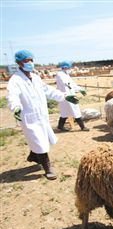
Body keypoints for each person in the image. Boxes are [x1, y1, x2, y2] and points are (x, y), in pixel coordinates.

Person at [6, 50, 79, 180]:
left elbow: (49, 91)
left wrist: (65, 96)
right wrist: (16, 107)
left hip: (41, 116)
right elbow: (12, 96)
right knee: (39, 142)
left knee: (41, 140)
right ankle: (48, 169)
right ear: (19, 62)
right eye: (26, 61)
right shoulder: (15, 80)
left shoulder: (36, 77)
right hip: (29, 117)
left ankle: (33, 156)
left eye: (31, 60)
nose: (30, 63)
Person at [56, 61, 89, 132]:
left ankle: (60, 126)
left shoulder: (66, 75)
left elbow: (73, 84)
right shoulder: (60, 74)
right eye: (69, 67)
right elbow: (67, 84)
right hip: (66, 96)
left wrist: (80, 89)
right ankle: (83, 127)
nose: (70, 69)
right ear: (65, 67)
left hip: (68, 95)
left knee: (65, 112)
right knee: (75, 110)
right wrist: (71, 91)